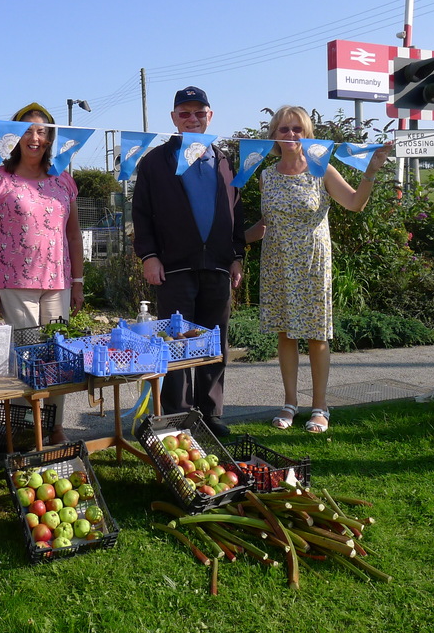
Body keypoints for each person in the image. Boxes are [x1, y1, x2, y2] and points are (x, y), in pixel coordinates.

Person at [244, 105, 391, 434]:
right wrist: (232, 241)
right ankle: (289, 402)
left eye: (297, 129)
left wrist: (370, 171)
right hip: (277, 264)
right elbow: (268, 222)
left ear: (308, 134)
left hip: (312, 262)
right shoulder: (267, 176)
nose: (291, 135)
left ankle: (321, 406)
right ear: (274, 136)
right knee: (285, 333)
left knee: (315, 336)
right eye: (284, 129)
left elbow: (355, 203)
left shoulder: (320, 169)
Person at [132, 86, 245, 437]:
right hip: (174, 268)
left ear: (211, 116)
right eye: (185, 113)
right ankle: (179, 415)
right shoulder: (154, 161)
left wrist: (238, 256)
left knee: (215, 342)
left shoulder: (225, 160)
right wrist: (149, 257)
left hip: (218, 266)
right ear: (173, 119)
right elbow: (141, 214)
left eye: (200, 113)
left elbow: (236, 212)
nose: (193, 119)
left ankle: (211, 413)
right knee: (176, 345)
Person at [0, 102, 84, 444]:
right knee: (27, 360)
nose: (35, 138)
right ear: (14, 137)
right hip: (15, 284)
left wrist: (79, 283)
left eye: (42, 132)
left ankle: (54, 427)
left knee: (57, 357)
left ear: (51, 139)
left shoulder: (63, 180)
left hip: (58, 283)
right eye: (27, 131)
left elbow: (72, 234)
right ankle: (26, 429)